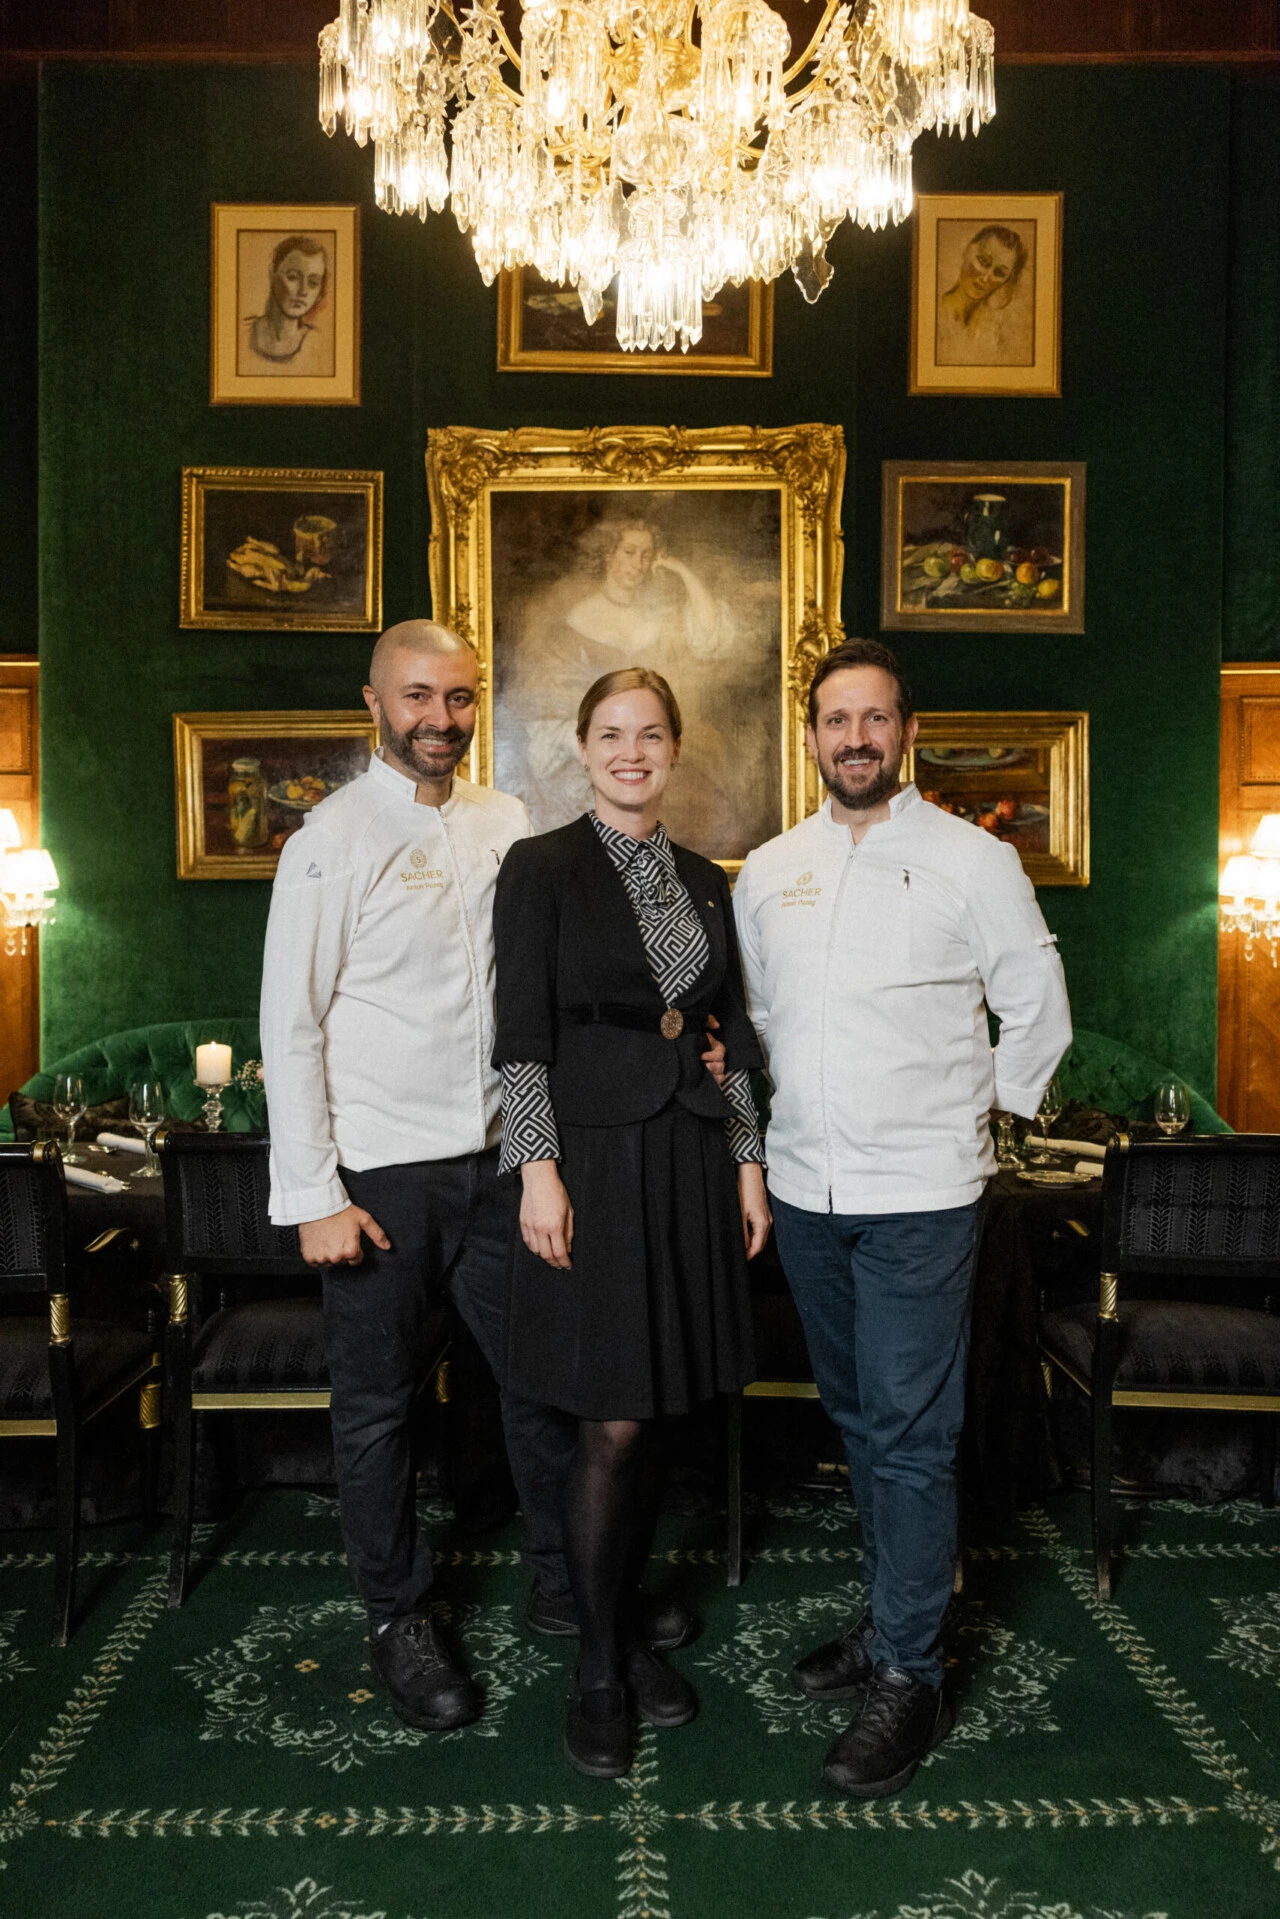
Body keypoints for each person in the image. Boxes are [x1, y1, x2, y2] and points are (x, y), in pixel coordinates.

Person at [260, 620, 619, 1736]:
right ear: (372, 702)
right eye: (418, 696)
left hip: (503, 1164)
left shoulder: (506, 822)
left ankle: (566, 1579)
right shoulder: (327, 840)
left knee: (544, 1381)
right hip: (382, 1178)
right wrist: (314, 1195)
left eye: (459, 697)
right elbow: (290, 1023)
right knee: (377, 1410)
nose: (441, 718)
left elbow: (541, 988)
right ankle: (398, 1616)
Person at [733, 638, 1071, 1799]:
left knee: (911, 1435)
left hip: (923, 1194)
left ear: (906, 732)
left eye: (873, 717)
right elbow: (760, 1022)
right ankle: (889, 1623)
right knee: (859, 1419)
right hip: (806, 1190)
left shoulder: (974, 860)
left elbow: (1036, 1009)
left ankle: (910, 1674)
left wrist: (974, 1118)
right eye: (835, 719)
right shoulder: (769, 869)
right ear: (811, 736)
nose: (854, 737)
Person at [492, 666, 772, 1779]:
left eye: (650, 734)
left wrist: (747, 1164)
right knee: (610, 1417)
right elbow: (521, 1033)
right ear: (581, 747)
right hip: (592, 1164)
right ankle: (600, 1667)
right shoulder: (541, 866)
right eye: (611, 733)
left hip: (689, 1156)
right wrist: (537, 1172)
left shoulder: (705, 877)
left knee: (658, 1410)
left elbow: (727, 1031)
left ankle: (620, 1618)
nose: (631, 752)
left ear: (674, 748)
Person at [936, 223, 1031, 367]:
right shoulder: (935, 315)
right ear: (968, 250)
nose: (986, 278)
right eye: (983, 261)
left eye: (999, 273)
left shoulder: (995, 335)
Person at [243, 233, 331, 373]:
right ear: (272, 275)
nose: (303, 291)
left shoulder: (320, 346)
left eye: (313, 283)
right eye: (293, 277)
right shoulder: (241, 333)